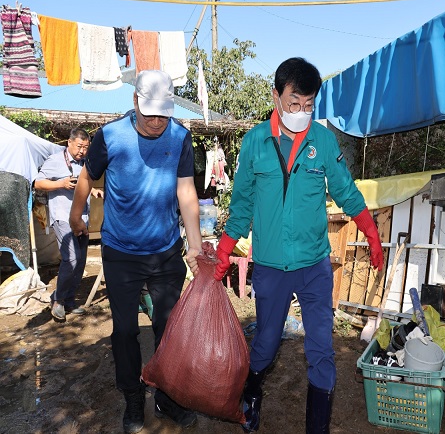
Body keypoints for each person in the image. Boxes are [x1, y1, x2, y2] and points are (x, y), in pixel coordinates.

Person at [213, 57, 384, 433]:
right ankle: (251, 395)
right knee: (266, 344)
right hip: (273, 268)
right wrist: (225, 251)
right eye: (294, 103)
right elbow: (241, 207)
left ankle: (317, 428)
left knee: (321, 350)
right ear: (276, 96)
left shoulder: (322, 141)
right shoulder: (255, 142)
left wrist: (371, 232)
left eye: (309, 105)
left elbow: (346, 192)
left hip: (314, 268)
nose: (301, 112)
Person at [69, 70, 203, 434]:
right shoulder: (110, 136)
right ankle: (132, 397)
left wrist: (195, 245)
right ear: (134, 103)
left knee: (168, 327)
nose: (158, 121)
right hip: (122, 251)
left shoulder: (180, 137)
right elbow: (86, 177)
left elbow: (187, 192)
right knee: (125, 330)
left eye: (164, 113)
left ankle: (165, 395)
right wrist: (75, 214)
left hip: (165, 251)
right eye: (150, 114)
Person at [34, 127, 103, 320]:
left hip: (83, 218)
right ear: (69, 143)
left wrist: (93, 191)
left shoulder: (85, 164)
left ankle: (70, 301)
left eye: (86, 147)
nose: (82, 151)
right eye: (79, 146)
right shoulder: (55, 160)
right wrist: (60, 184)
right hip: (62, 216)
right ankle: (58, 300)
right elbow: (37, 183)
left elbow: (83, 185)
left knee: (80, 262)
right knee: (71, 258)